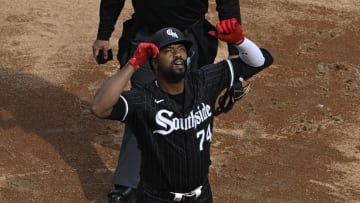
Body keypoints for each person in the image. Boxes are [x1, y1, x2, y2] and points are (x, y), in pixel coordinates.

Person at [91, 18, 273, 203]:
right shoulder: (144, 99)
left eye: (181, 49)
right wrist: (134, 63)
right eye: (168, 51)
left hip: (201, 196)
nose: (177, 54)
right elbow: (100, 107)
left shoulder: (203, 82)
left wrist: (239, 42)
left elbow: (260, 61)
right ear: (154, 63)